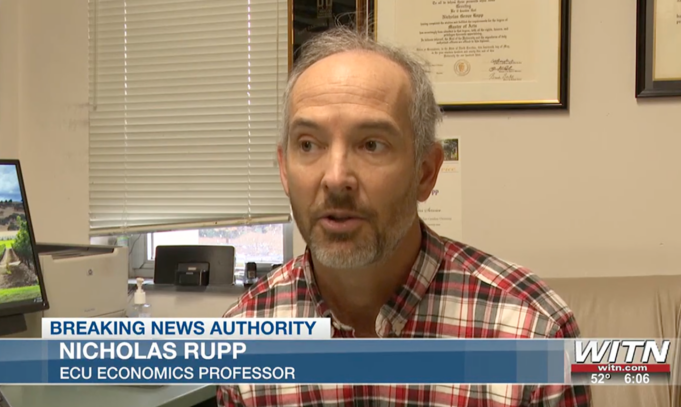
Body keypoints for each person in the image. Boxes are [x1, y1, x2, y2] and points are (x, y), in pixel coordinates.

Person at [217, 27, 591, 407]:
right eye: (309, 144)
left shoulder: (533, 333)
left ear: (425, 173)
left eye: (371, 144)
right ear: (284, 170)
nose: (335, 178)